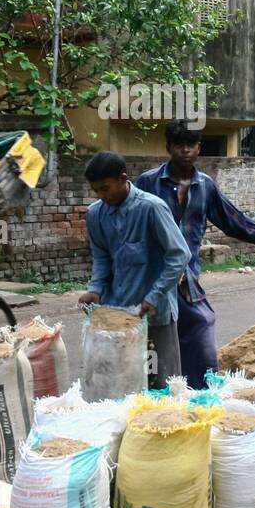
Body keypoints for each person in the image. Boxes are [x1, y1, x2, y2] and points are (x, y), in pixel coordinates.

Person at [135, 120, 255, 388]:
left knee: (201, 337)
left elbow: (235, 221)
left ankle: (201, 398)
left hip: (187, 281)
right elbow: (133, 226)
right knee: (155, 351)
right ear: (169, 147)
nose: (185, 150)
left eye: (191, 144)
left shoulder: (205, 186)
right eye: (179, 144)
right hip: (155, 280)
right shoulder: (149, 183)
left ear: (199, 148)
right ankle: (158, 402)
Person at [78, 151, 191, 390]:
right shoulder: (95, 214)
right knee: (120, 386)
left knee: (161, 385)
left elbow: (180, 254)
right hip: (116, 316)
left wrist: (155, 295)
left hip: (155, 315)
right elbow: (101, 256)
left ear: (123, 178)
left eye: (106, 188)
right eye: (96, 190)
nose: (102, 195)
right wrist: (96, 289)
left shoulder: (152, 208)